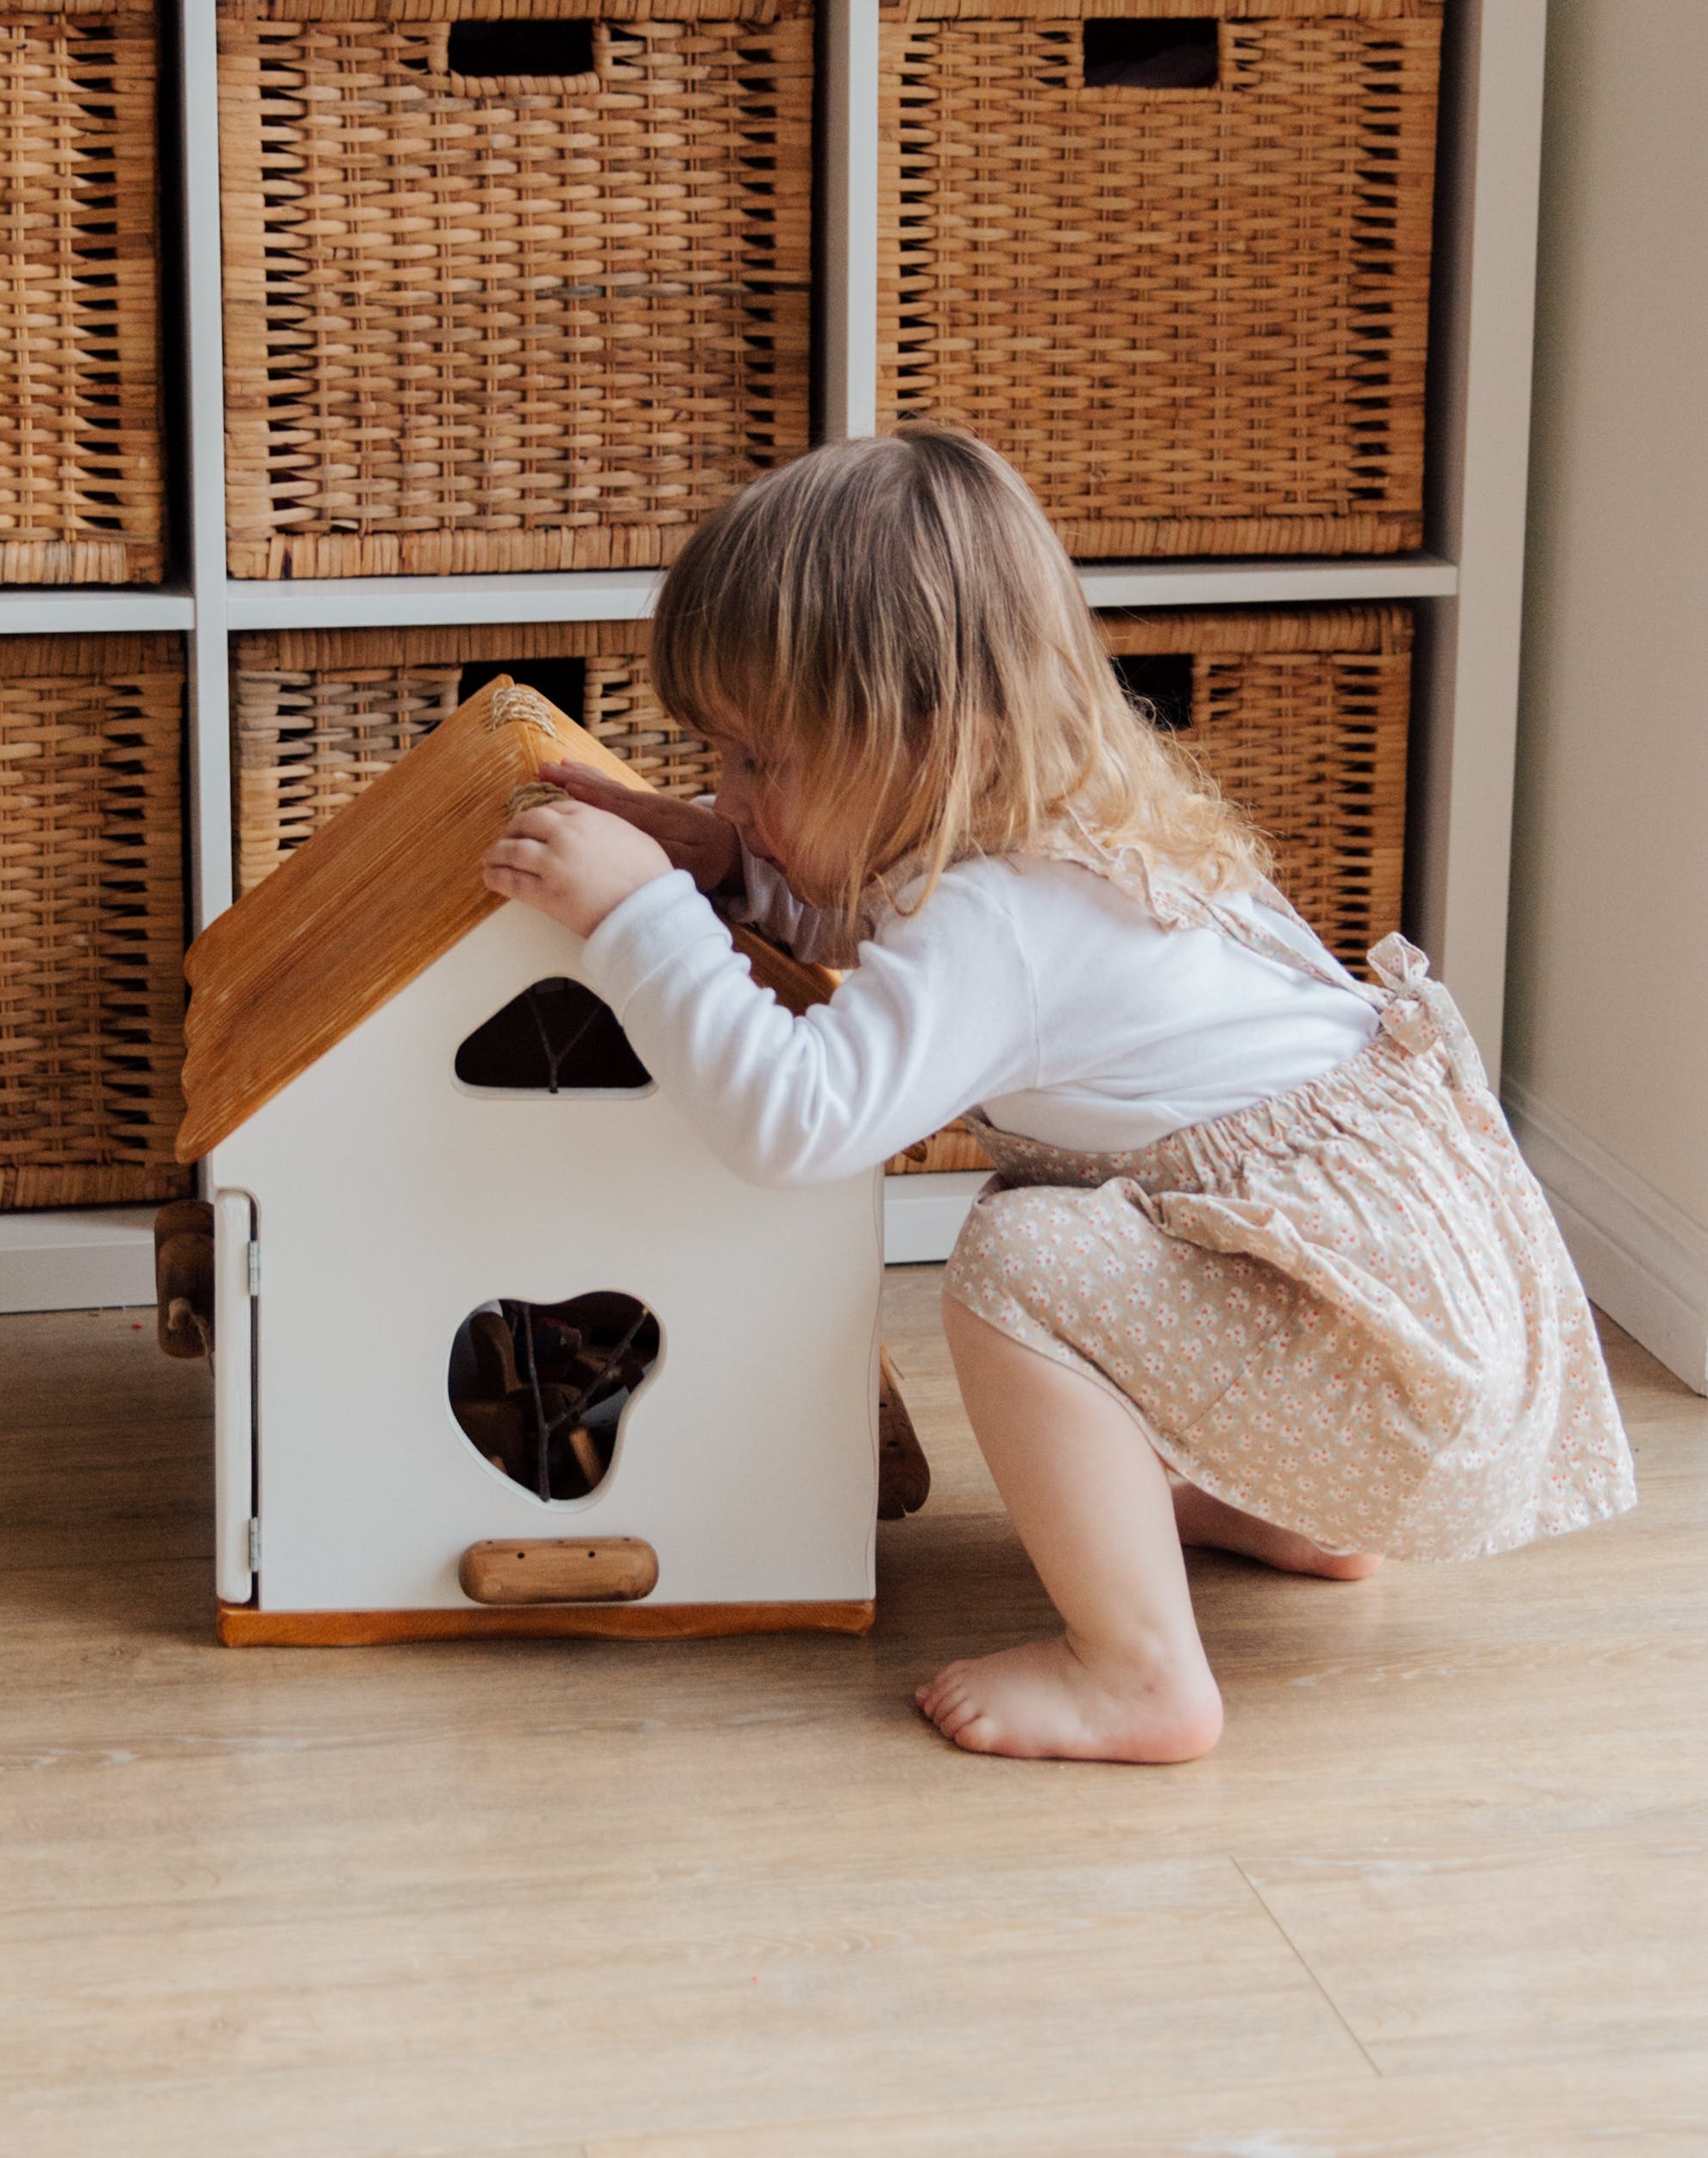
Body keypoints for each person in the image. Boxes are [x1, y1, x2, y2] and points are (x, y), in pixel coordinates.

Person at [481, 430, 1634, 1766]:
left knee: (1021, 1253)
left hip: (1389, 1390)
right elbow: (900, 920)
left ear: (928, 735)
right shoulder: (1076, 815)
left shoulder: (1002, 921)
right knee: (1078, 1230)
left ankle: (1139, 1675)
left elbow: (793, 1121)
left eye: (759, 763)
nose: (728, 795)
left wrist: (642, 925)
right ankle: (1296, 1513)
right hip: (1406, 1347)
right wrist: (741, 879)